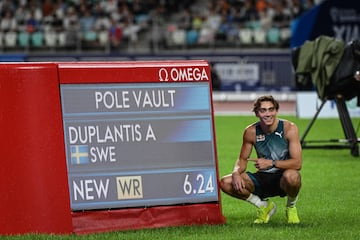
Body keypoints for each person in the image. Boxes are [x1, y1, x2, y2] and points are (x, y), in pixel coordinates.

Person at [220, 95, 302, 224]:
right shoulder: (250, 131)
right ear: (257, 113)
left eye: (271, 109)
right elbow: (242, 159)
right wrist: (236, 172)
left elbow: (297, 163)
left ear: (276, 111)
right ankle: (264, 206)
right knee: (226, 182)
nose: (268, 114)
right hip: (262, 178)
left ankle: (291, 207)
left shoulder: (289, 128)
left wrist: (271, 163)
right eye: (263, 110)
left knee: (293, 176)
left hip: (283, 177)